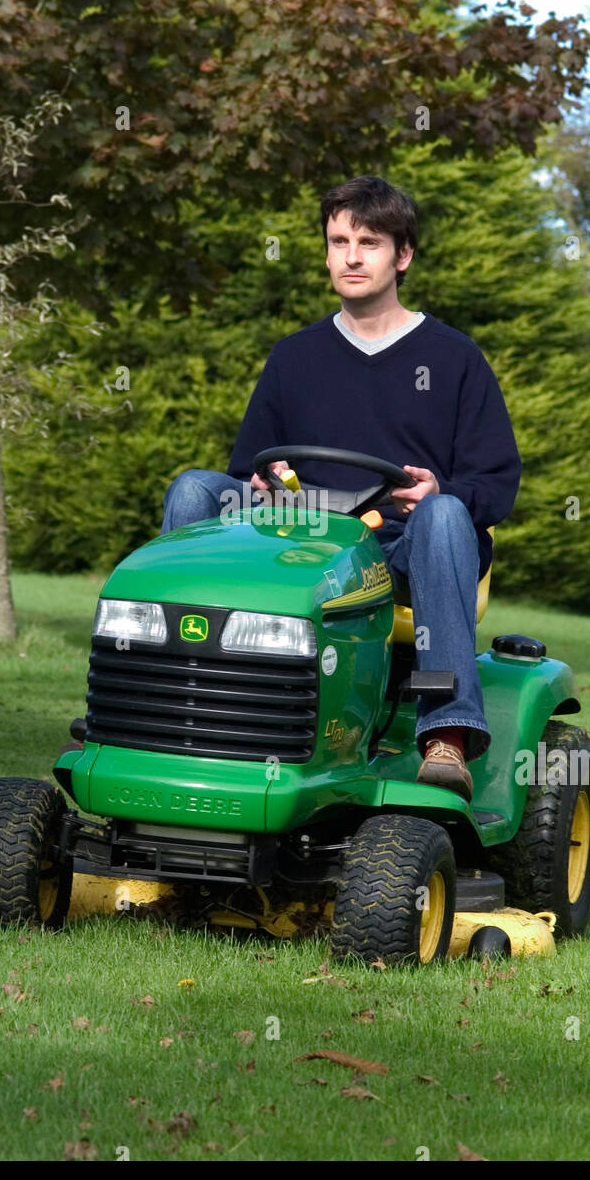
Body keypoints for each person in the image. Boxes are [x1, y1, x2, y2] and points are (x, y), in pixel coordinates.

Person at [160, 175, 521, 800]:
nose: (351, 256)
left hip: (401, 549)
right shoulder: (295, 357)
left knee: (445, 515)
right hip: (301, 537)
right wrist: (262, 483)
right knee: (195, 489)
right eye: (339, 241)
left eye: (370, 242)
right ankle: (171, 703)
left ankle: (448, 734)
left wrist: (440, 493)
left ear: (401, 256)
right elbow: (250, 463)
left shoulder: (456, 359)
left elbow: (497, 484)